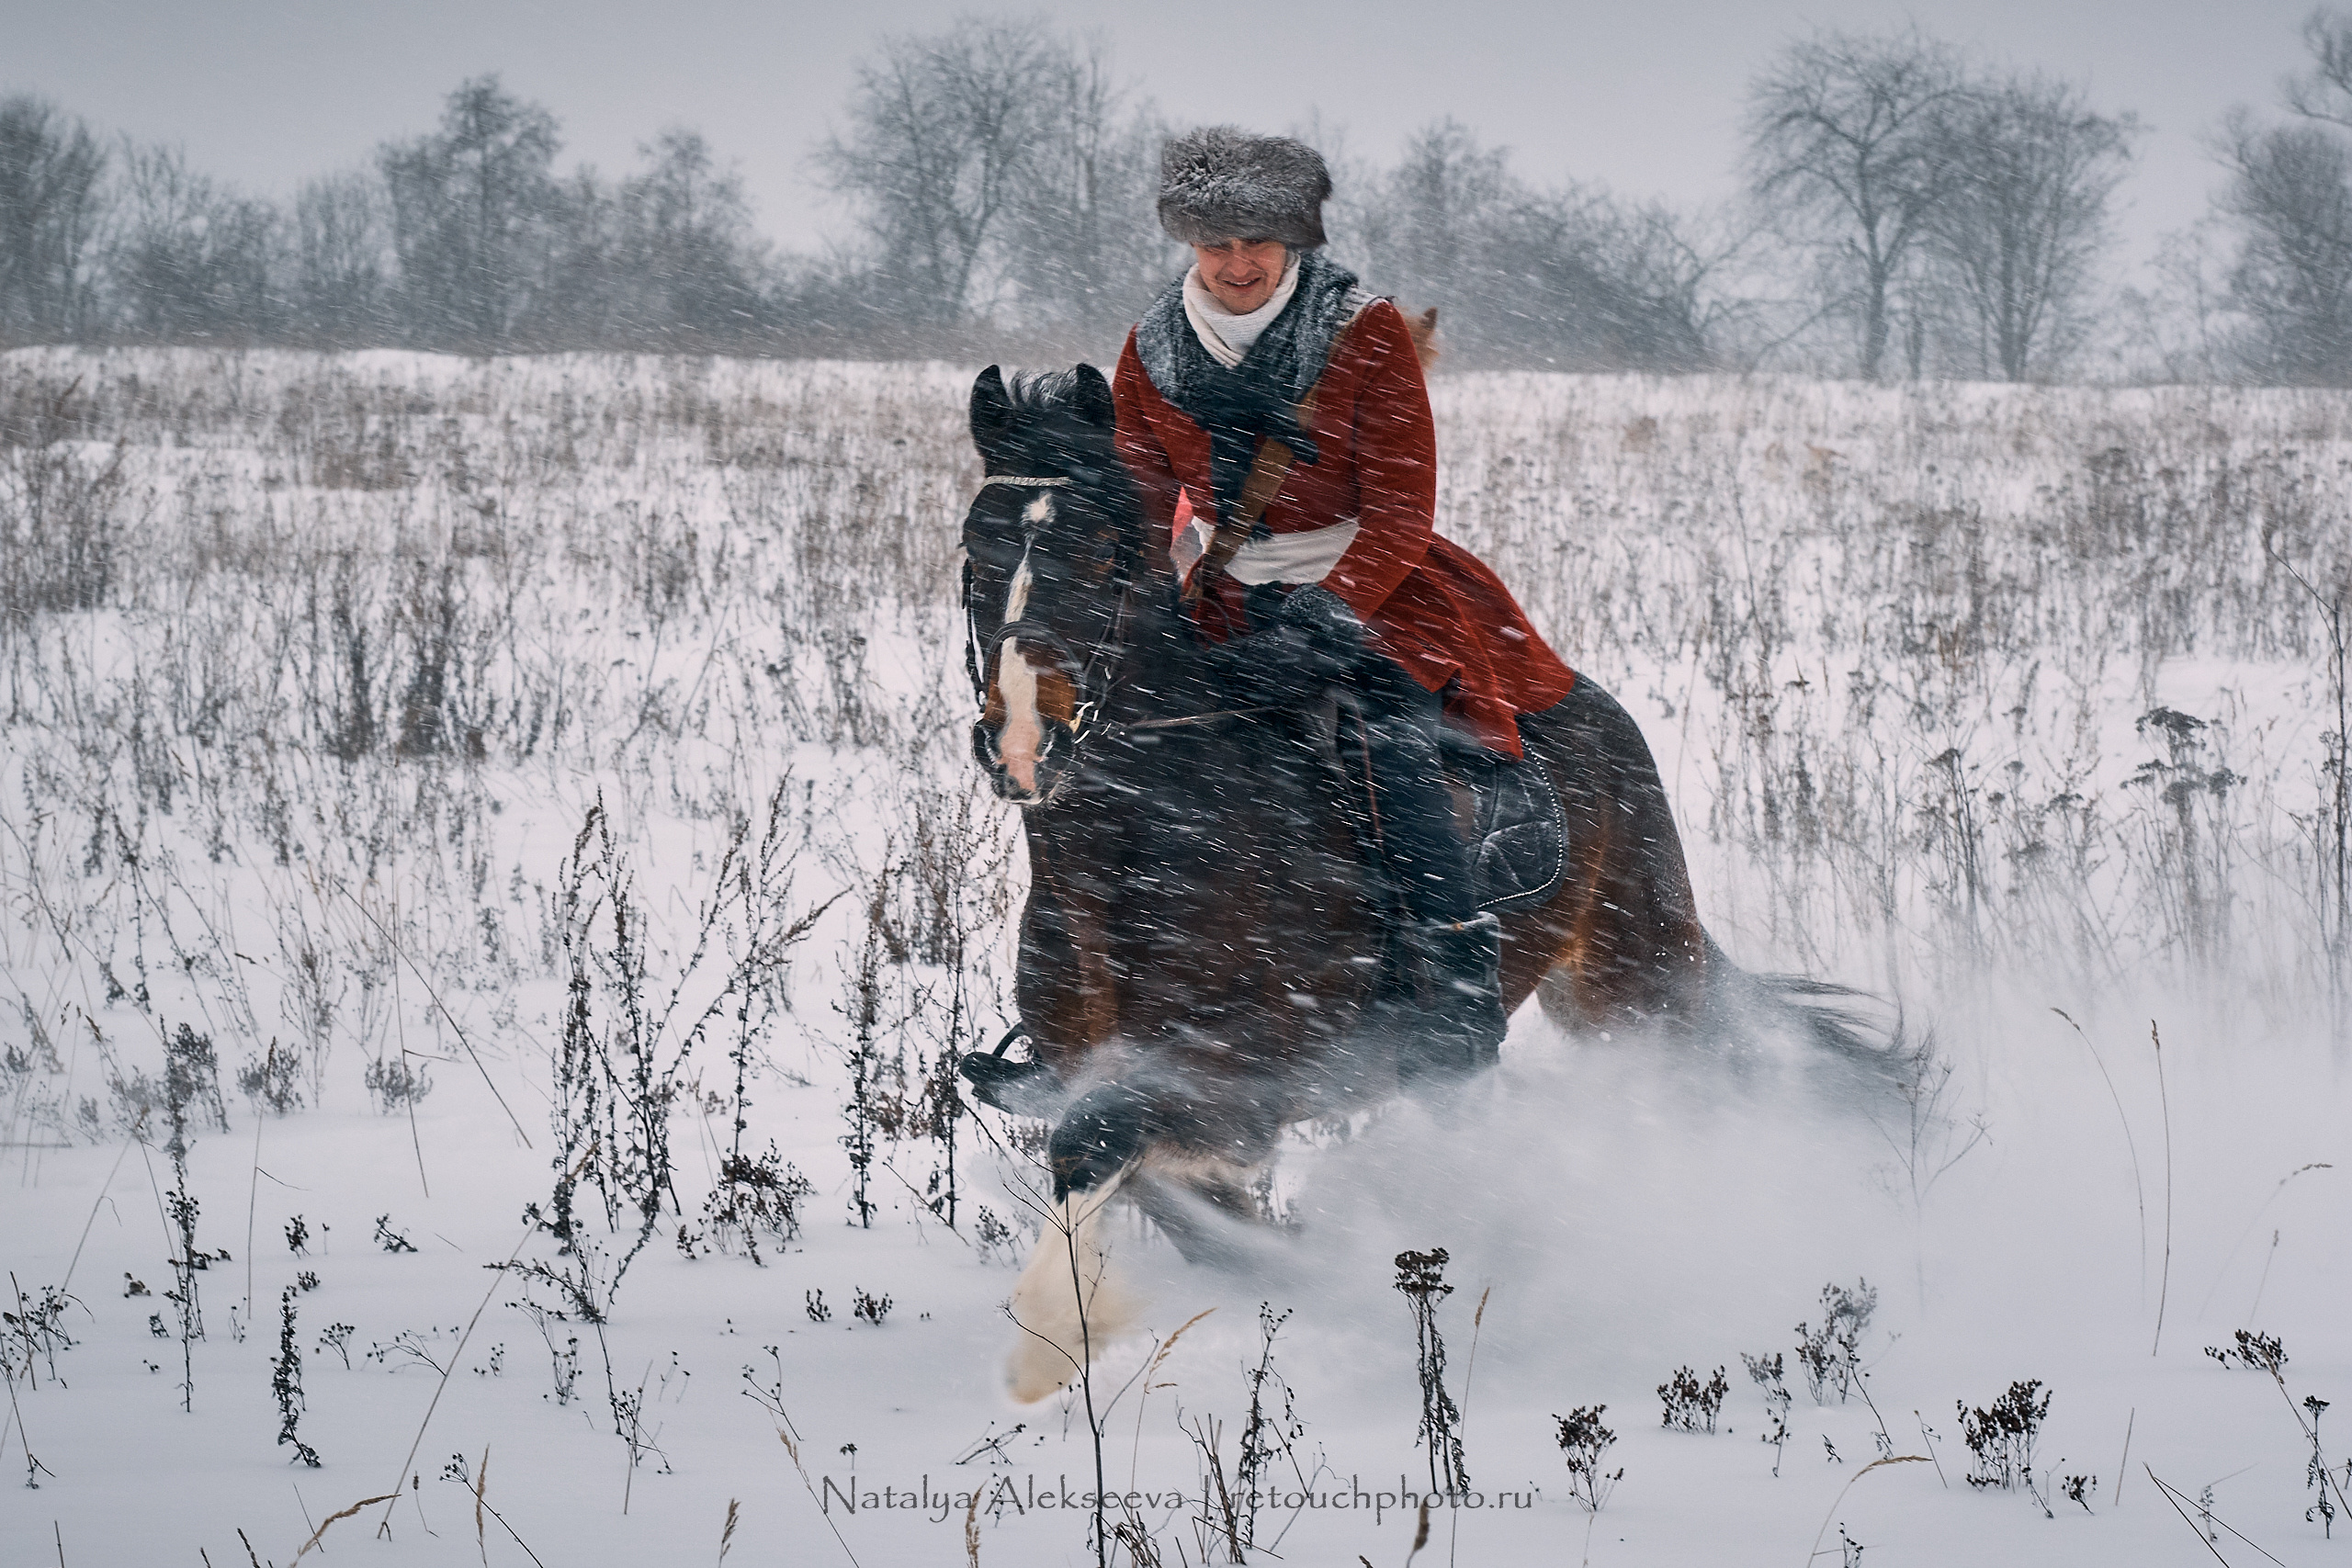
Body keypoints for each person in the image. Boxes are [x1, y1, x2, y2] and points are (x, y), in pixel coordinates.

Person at [1110, 126, 1578, 1073]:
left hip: (1374, 587)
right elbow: (1143, 496)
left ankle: (1452, 993)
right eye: (1217, 244)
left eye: (1259, 244)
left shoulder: (1362, 331)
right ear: (1189, 245)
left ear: (1295, 243)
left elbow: (1403, 513)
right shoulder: (1150, 347)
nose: (1238, 264)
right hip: (1226, 594)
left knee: (1392, 751)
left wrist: (1331, 619)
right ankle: (1100, 995)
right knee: (1126, 751)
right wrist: (1154, 595)